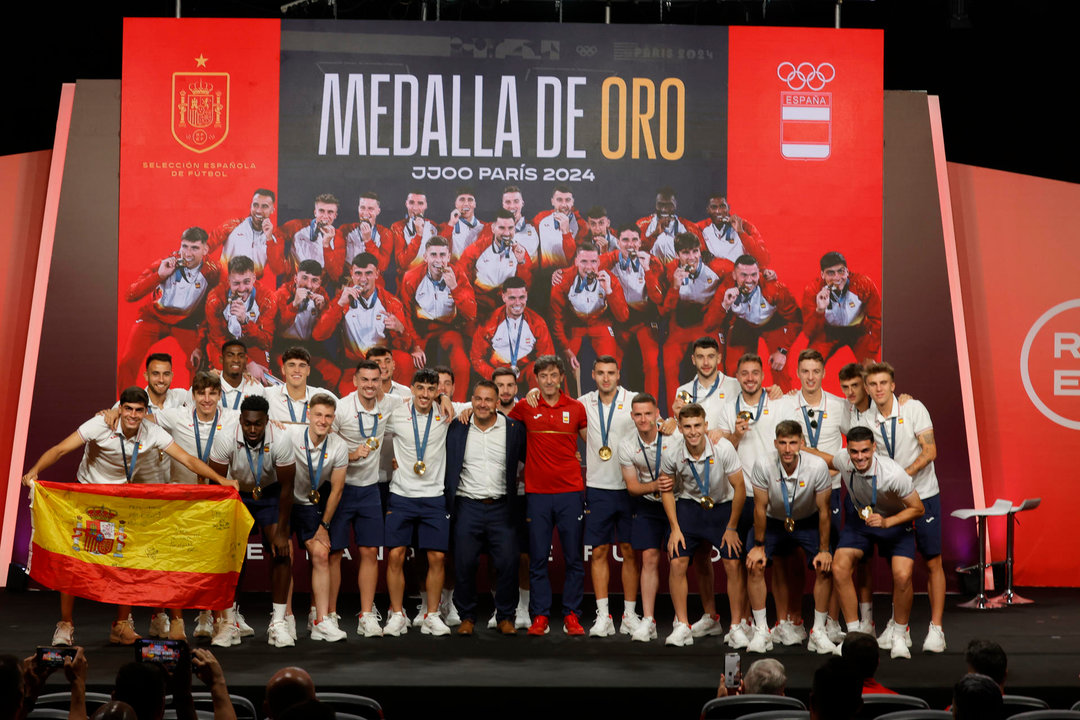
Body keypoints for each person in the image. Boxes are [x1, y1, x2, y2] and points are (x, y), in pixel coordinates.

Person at [22, 387, 233, 646]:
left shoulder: (153, 432)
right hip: (88, 500)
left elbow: (187, 459)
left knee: (125, 560)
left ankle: (121, 625)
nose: (133, 415)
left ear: (146, 413)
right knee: (75, 560)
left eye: (139, 410)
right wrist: (35, 470)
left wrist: (220, 480)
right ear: (119, 408)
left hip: (121, 503)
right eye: (128, 409)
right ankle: (65, 625)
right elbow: (60, 449)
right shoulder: (100, 424)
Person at [144, 371, 238, 643]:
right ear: (193, 396)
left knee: (216, 561)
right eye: (201, 393)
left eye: (212, 393)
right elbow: (144, 419)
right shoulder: (178, 415)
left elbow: (263, 424)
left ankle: (213, 618)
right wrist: (111, 415)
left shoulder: (233, 418)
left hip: (215, 500)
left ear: (220, 395)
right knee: (178, 561)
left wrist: (278, 425)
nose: (206, 399)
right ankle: (176, 620)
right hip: (181, 500)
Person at [864, 361, 946, 654]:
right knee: (900, 569)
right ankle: (902, 628)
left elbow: (930, 450)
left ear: (893, 385)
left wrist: (903, 476)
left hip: (924, 494)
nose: (879, 389)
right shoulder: (867, 418)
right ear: (867, 388)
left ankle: (936, 629)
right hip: (894, 502)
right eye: (873, 384)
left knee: (932, 561)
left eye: (884, 383)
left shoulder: (913, 409)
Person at [828, 427, 925, 659]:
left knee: (902, 575)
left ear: (874, 448)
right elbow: (827, 459)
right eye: (854, 451)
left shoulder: (893, 473)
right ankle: (854, 637)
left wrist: (887, 521)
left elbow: (918, 508)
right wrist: (802, 448)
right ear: (848, 450)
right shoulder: (844, 459)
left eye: (864, 451)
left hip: (894, 521)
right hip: (861, 522)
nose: (859, 457)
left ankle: (900, 635)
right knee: (839, 567)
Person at [509, 355, 589, 636]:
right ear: (537, 379)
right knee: (538, 558)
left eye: (554, 375)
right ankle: (540, 616)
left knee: (573, 559)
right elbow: (495, 418)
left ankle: (571, 615)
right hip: (538, 494)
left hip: (570, 492)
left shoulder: (576, 408)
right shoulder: (525, 406)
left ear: (561, 376)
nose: (549, 381)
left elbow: (593, 442)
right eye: (543, 376)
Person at [208, 395, 296, 648]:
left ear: (267, 421)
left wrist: (281, 532)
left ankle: (278, 622)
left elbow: (288, 488)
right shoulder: (225, 438)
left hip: (269, 493)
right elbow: (216, 483)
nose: (253, 429)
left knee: (282, 552)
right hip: (235, 493)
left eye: (258, 424)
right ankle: (229, 622)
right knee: (232, 556)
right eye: (248, 424)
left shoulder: (281, 439)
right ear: (241, 420)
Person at [745, 420, 836, 654]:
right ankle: (762, 631)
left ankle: (818, 631)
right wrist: (758, 545)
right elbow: (759, 507)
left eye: (793, 443)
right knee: (755, 563)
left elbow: (825, 511)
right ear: (775, 443)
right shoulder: (763, 464)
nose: (787, 449)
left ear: (801, 444)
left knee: (824, 566)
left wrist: (824, 549)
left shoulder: (817, 466)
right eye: (783, 443)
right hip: (773, 521)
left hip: (808, 521)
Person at [774, 349, 846, 640]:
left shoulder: (840, 405)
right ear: (798, 373)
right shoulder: (786, 403)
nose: (811, 377)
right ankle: (793, 620)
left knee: (832, 560)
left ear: (824, 373)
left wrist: (826, 467)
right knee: (790, 561)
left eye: (816, 371)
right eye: (805, 371)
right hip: (795, 494)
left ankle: (831, 622)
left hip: (833, 491)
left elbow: (852, 452)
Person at [659, 403, 745, 647]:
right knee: (677, 560)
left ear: (706, 426)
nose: (693, 431)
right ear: (680, 427)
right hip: (689, 507)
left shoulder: (723, 448)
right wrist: (675, 528)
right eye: (687, 426)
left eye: (697, 425)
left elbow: (740, 487)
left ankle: (736, 626)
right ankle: (683, 626)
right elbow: (666, 490)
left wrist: (731, 528)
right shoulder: (672, 452)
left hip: (722, 508)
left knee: (731, 562)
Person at [329, 360, 404, 638]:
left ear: (382, 381)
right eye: (365, 380)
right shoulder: (342, 408)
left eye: (376, 380)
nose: (370, 385)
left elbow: (425, 398)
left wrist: (444, 397)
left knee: (370, 553)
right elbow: (326, 445)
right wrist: (350, 455)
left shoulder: (390, 405)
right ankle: (329, 615)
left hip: (370, 489)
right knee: (334, 554)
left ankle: (366, 614)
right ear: (355, 380)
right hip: (341, 488)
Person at [445, 380, 527, 634]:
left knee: (507, 563)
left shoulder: (513, 428)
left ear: (496, 402)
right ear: (472, 400)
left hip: (502, 506)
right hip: (467, 504)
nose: (482, 404)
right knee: (465, 563)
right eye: (478, 399)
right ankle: (467, 617)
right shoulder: (458, 427)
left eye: (488, 400)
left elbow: (530, 459)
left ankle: (505, 616)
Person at [381, 368, 453, 637]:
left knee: (436, 557)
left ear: (436, 391)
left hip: (434, 497)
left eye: (431, 389)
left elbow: (479, 403)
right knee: (396, 555)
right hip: (401, 495)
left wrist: (445, 397)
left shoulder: (446, 413)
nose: (425, 394)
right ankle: (397, 615)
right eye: (420, 388)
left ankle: (432, 615)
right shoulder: (397, 413)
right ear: (411, 389)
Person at [577, 356, 641, 637]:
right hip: (597, 486)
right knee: (600, 551)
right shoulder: (582, 402)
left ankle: (629, 614)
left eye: (611, 373)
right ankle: (603, 615)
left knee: (628, 551)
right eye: (600, 372)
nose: (606, 378)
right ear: (593, 374)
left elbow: (654, 425)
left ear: (618, 374)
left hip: (629, 487)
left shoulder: (634, 400)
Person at [118, 226, 221, 391]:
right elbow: (130, 294)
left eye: (194, 248)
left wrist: (201, 340)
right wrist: (159, 275)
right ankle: (126, 404)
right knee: (127, 361)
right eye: (184, 246)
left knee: (199, 362)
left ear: (205, 249)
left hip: (186, 323)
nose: (187, 253)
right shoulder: (166, 262)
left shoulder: (213, 271)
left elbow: (215, 307)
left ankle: (193, 408)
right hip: (153, 317)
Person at [312, 252, 422, 394]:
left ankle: (400, 404)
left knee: (405, 360)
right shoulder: (343, 299)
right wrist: (339, 305)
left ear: (377, 273)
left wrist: (401, 329)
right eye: (358, 273)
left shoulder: (391, 302)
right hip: (355, 366)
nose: (363, 279)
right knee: (353, 401)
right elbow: (319, 335)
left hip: (381, 364)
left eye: (368, 273)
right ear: (351, 273)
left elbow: (404, 346)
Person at [618, 393, 680, 642]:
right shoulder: (626, 444)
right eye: (638, 414)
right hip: (647, 504)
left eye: (648, 413)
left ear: (657, 414)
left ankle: (680, 620)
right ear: (632, 416)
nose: (644, 419)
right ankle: (648, 620)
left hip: (676, 503)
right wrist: (656, 484)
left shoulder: (674, 436)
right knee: (649, 558)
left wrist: (670, 484)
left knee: (678, 560)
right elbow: (632, 487)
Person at [287, 393, 349, 642]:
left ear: (333, 419)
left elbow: (337, 489)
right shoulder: (290, 436)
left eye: (327, 416)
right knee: (284, 557)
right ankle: (285, 619)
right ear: (308, 416)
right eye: (318, 415)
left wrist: (324, 526)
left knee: (322, 554)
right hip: (282, 501)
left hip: (308, 505)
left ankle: (320, 621)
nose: (322, 420)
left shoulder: (338, 445)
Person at [400, 237, 478, 401]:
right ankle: (413, 408)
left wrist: (454, 288)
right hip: (421, 331)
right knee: (413, 365)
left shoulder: (458, 275)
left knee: (462, 364)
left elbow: (471, 313)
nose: (438, 260)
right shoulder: (411, 277)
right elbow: (405, 316)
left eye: (442, 255)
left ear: (449, 256)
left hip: (448, 330)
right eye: (433, 255)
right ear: (425, 257)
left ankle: (459, 407)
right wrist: (414, 345)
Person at [659, 233, 733, 405]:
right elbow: (665, 310)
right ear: (677, 255)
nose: (691, 257)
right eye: (685, 253)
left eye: (695, 251)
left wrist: (766, 274)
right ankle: (675, 417)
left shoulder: (717, 266)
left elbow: (742, 270)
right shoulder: (670, 270)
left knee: (718, 365)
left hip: (706, 324)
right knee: (669, 367)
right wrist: (675, 287)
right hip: (679, 326)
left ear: (700, 251)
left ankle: (719, 410)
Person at [711, 255, 801, 391]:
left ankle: (786, 408)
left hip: (772, 323)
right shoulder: (726, 288)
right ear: (734, 275)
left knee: (779, 367)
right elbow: (711, 323)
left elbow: (797, 320)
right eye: (744, 275)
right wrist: (724, 305)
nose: (749, 280)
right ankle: (738, 406)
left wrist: (783, 350)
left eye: (753, 275)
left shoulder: (774, 289)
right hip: (744, 324)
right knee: (733, 369)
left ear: (759, 273)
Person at [550, 242, 630, 386]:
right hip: (575, 326)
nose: (589, 267)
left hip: (600, 323)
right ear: (576, 262)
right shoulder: (563, 280)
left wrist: (609, 291)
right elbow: (556, 319)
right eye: (583, 262)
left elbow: (623, 316)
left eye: (593, 262)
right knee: (563, 367)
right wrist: (566, 349)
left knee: (610, 363)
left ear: (599, 262)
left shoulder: (609, 278)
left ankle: (611, 401)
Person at [600, 224, 665, 400]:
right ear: (618, 242)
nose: (630, 245)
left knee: (651, 364)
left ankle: (653, 408)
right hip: (619, 321)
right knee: (612, 366)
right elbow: (587, 267)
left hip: (644, 320)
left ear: (640, 242)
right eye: (625, 240)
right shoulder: (608, 260)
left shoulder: (652, 262)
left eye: (634, 240)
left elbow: (658, 298)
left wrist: (648, 270)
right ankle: (612, 407)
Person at [471, 277, 555, 391]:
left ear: (527, 296)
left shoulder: (537, 323)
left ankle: (538, 406)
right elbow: (476, 358)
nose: (517, 303)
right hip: (497, 373)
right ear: (503, 297)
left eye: (522, 297)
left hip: (525, 374)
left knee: (542, 370)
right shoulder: (489, 322)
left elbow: (547, 358)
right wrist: (495, 375)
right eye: (512, 298)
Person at [801, 251, 881, 367]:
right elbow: (809, 332)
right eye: (830, 273)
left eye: (841, 271)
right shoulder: (813, 290)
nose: (837, 277)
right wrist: (819, 310)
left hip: (859, 331)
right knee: (810, 365)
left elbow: (878, 319)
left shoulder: (863, 284)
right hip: (828, 332)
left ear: (847, 271)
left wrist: (871, 350)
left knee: (870, 368)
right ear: (822, 275)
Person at [272, 260, 339, 390]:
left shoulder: (322, 295)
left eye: (314, 281)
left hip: (309, 347)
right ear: (295, 278)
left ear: (320, 282)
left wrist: (323, 311)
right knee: (287, 375)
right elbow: (276, 328)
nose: (308, 285)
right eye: (304, 278)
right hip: (283, 347)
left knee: (333, 374)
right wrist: (293, 305)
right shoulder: (281, 294)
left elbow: (323, 334)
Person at [202, 255, 277, 370]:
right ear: (229, 280)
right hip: (223, 345)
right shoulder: (215, 299)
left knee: (261, 378)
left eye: (246, 282)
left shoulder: (267, 299)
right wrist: (247, 363)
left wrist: (245, 322)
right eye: (236, 283)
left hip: (252, 344)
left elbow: (266, 342)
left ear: (254, 278)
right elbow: (218, 339)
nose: (242, 289)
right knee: (229, 376)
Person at [459, 209, 533, 318]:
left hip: (508, 308)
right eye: (502, 228)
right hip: (480, 309)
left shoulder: (520, 251)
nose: (507, 233)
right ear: (493, 228)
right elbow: (462, 279)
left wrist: (521, 262)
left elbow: (527, 286)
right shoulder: (477, 249)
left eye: (511, 228)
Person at [208, 188, 288, 279]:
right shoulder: (232, 225)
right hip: (225, 286)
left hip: (250, 289)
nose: (258, 210)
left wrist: (269, 239)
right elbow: (205, 247)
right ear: (251, 206)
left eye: (264, 206)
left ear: (273, 210)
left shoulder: (275, 237)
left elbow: (278, 270)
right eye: (255, 205)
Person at [273, 193, 345, 282]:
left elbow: (335, 275)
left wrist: (326, 245)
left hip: (318, 289)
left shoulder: (339, 237)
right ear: (315, 212)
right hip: (293, 285)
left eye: (330, 212)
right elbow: (274, 235)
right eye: (321, 211)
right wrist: (285, 265)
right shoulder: (297, 226)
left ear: (335, 216)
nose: (325, 216)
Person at [264, 347, 337, 425]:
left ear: (308, 370)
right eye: (291, 365)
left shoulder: (322, 395)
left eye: (302, 366)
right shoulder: (268, 394)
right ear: (283, 370)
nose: (297, 370)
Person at [336, 191, 394, 284]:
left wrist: (368, 240)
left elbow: (382, 266)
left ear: (378, 211)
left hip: (373, 281)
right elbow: (337, 264)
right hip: (348, 280)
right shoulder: (345, 230)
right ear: (358, 208)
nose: (365, 213)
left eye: (370, 209)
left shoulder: (386, 234)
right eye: (362, 208)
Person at [697, 194, 771, 267]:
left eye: (722, 206)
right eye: (714, 207)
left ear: (728, 208)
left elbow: (764, 260)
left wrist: (741, 232)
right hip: (715, 276)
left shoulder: (745, 226)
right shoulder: (700, 228)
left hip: (741, 276)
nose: (718, 211)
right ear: (707, 210)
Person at [637, 187, 704, 264]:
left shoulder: (690, 227)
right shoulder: (642, 224)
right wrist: (654, 235)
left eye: (669, 205)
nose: (664, 209)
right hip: (652, 270)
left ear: (675, 205)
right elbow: (636, 250)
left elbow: (701, 255)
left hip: (679, 271)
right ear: (655, 205)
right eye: (660, 205)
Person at [531, 184, 585, 272]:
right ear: (552, 201)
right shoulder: (541, 218)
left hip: (568, 276)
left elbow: (574, 258)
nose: (564, 205)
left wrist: (566, 232)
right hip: (544, 275)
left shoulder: (581, 225)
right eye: (559, 200)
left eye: (567, 200)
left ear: (572, 202)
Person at [392, 189, 440, 277]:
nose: (415, 208)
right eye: (411, 203)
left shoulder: (433, 226)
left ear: (426, 205)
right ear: (406, 204)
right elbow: (402, 263)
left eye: (420, 203)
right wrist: (418, 235)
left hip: (428, 280)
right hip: (407, 281)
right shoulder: (397, 227)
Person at [437, 186, 485, 259]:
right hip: (454, 270)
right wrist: (451, 224)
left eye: (470, 200)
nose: (466, 203)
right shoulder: (446, 227)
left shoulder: (484, 227)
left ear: (475, 204)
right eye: (462, 200)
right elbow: (439, 249)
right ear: (456, 204)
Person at [216, 341, 266, 410]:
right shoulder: (209, 385)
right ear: (221, 359)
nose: (236, 360)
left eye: (241, 356)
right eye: (230, 355)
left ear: (246, 360)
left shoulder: (256, 388)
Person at [499, 185, 541, 261]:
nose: (512, 206)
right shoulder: (493, 230)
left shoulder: (535, 228)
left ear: (522, 203)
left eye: (516, 201)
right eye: (508, 202)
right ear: (503, 205)